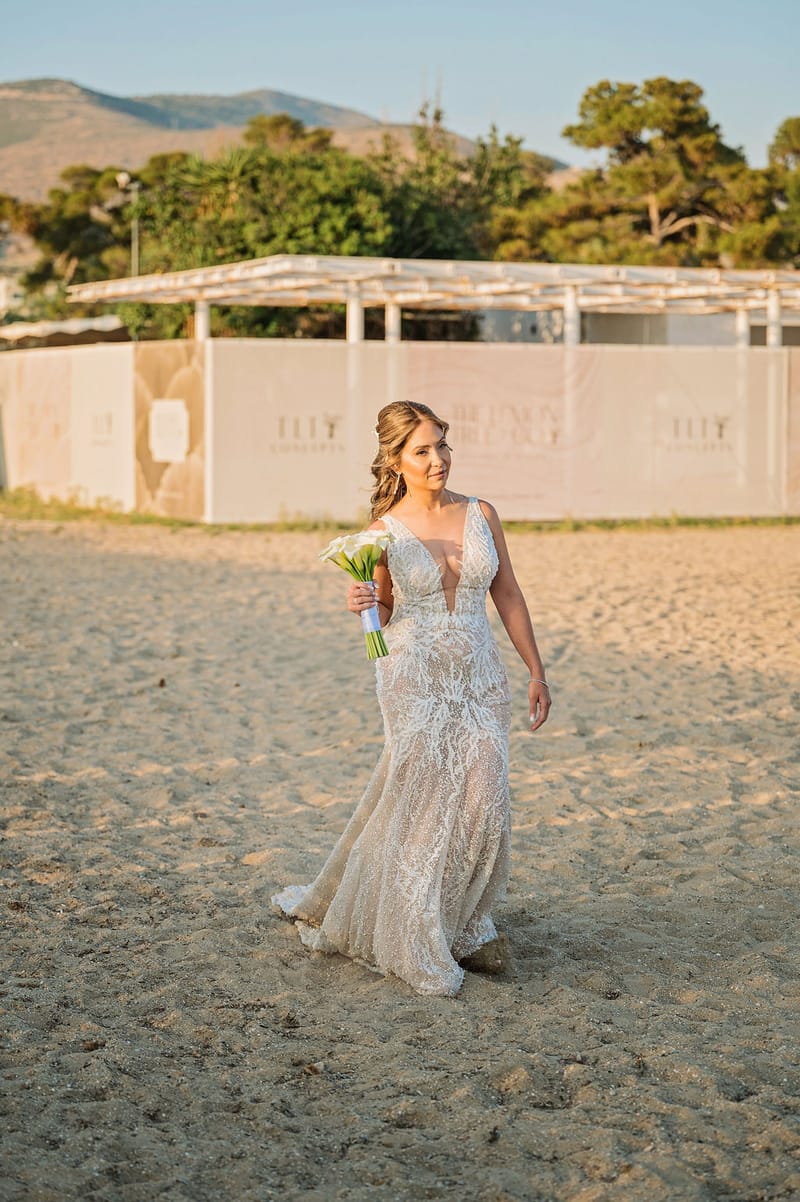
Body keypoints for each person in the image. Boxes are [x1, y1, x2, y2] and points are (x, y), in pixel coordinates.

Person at [272, 400, 550, 996]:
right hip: (413, 674)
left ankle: (462, 921)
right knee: (422, 801)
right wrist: (364, 604)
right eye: (422, 450)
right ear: (396, 460)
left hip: (479, 672)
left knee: (485, 800)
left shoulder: (482, 513)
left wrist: (536, 671)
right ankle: (416, 928)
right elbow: (386, 607)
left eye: (442, 445)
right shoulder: (380, 533)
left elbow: (508, 593)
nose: (438, 459)